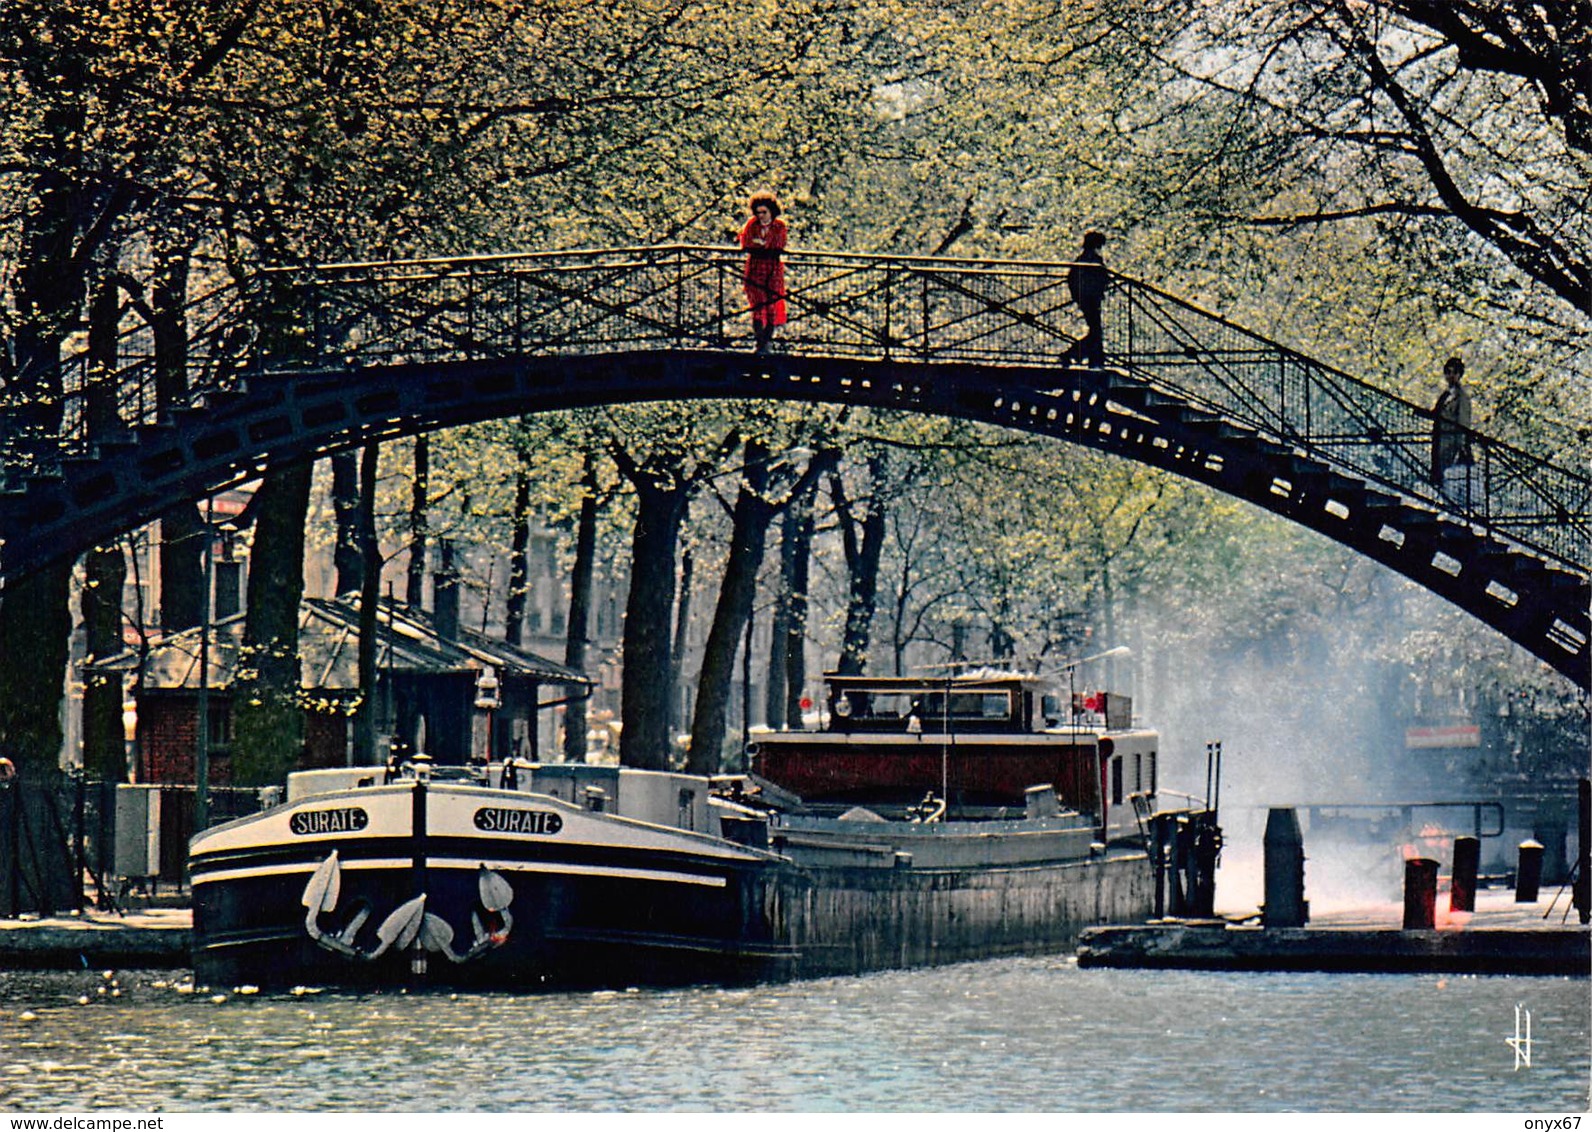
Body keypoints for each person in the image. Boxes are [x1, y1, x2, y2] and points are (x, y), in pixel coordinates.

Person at [739, 192, 788, 353]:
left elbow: (778, 244)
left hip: (772, 268)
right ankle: (759, 342)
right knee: (757, 304)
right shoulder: (752, 224)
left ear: (771, 211)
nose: (761, 216)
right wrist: (761, 244)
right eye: (758, 212)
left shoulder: (779, 225)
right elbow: (745, 242)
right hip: (755, 267)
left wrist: (761, 244)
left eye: (764, 212)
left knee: (772, 303)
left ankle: (767, 341)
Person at [1430, 355, 1473, 501]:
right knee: (1437, 470)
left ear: (1460, 375)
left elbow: (1463, 422)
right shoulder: (1445, 395)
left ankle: (1447, 502)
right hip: (1439, 438)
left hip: (1451, 440)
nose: (1451, 376)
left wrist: (1461, 445)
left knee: (1446, 472)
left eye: (1454, 372)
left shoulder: (1462, 397)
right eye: (1448, 372)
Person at [1064, 231, 1108, 368]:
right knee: (1096, 331)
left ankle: (1090, 357)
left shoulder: (1081, 259)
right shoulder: (1094, 260)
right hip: (1091, 299)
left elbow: (1071, 278)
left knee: (1095, 330)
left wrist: (1076, 295)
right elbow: (1102, 277)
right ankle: (1076, 354)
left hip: (1085, 298)